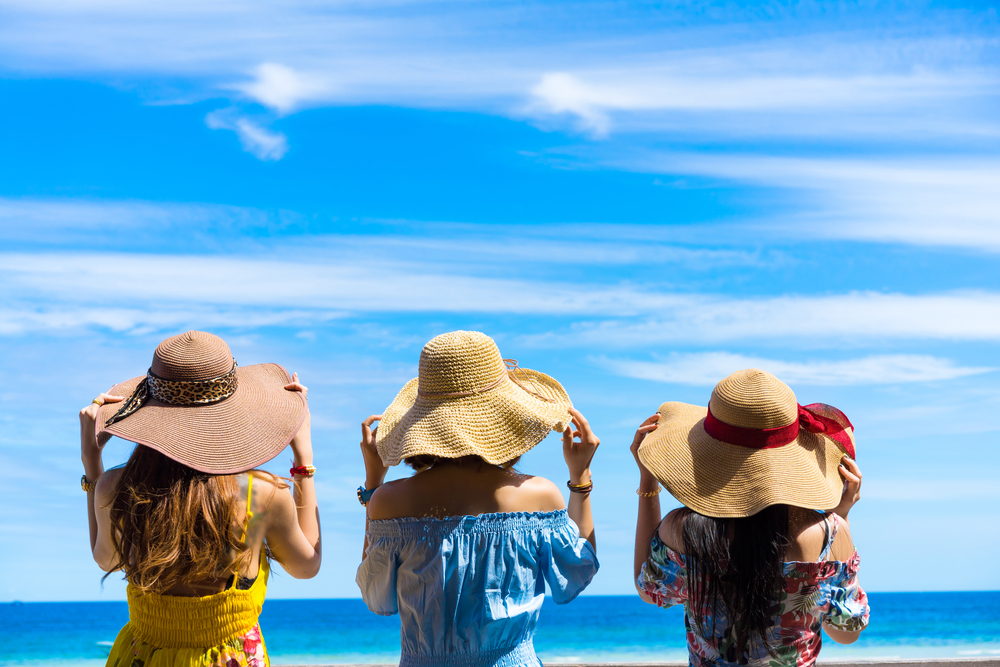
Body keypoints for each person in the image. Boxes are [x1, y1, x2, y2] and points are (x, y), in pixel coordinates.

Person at [356, 330, 600, 667]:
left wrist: (374, 484)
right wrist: (580, 478)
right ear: (506, 415)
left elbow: (376, 597)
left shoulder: (389, 501)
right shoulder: (539, 495)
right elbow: (577, 573)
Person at [80, 330, 322, 667]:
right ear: (233, 410)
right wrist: (303, 461)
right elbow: (306, 565)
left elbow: (106, 560)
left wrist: (93, 466)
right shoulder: (257, 495)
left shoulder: (118, 486)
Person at [630, 368, 869, 667]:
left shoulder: (683, 530)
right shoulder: (829, 533)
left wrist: (648, 483)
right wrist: (839, 519)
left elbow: (647, 589)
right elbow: (845, 633)